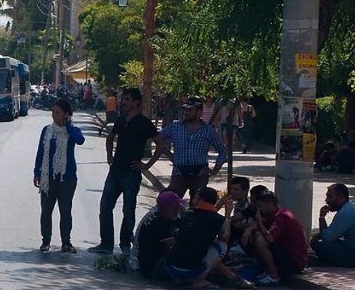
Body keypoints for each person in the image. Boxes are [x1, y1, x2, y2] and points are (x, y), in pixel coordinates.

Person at [89, 87, 166, 255]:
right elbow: (110, 137)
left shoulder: (144, 122)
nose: (123, 102)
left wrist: (147, 165)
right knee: (105, 206)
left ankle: (125, 244)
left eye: (127, 100)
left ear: (136, 102)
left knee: (128, 210)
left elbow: (160, 143)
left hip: (131, 172)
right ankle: (106, 243)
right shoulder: (120, 119)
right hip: (115, 170)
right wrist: (109, 155)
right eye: (123, 99)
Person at [163, 187, 253, 290]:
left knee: (192, 239)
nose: (193, 200)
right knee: (221, 246)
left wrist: (217, 208)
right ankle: (200, 280)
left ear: (201, 200)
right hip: (191, 272)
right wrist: (227, 215)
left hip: (170, 267)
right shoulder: (219, 220)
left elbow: (202, 220)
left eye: (195, 198)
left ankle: (230, 275)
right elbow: (225, 239)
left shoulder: (187, 214)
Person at [34, 98, 85, 253]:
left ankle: (66, 242)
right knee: (46, 210)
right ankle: (45, 241)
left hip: (67, 177)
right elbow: (41, 152)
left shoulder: (72, 131)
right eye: (53, 112)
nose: (54, 116)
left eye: (58, 113)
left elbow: (80, 140)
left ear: (66, 114)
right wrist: (37, 172)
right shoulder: (47, 130)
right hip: (48, 177)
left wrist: (68, 124)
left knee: (65, 211)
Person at [159, 97, 228, 198]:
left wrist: (215, 169)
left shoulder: (208, 130)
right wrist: (167, 153)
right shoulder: (175, 126)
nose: (186, 112)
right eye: (185, 109)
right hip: (179, 173)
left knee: (197, 207)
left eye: (190, 110)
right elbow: (158, 138)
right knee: (171, 201)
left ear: (199, 112)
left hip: (200, 174)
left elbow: (222, 151)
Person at [242, 191, 308, 286]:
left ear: (269, 204)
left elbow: (270, 238)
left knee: (261, 240)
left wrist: (259, 222)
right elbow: (258, 225)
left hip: (295, 261)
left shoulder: (282, 216)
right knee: (256, 235)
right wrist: (248, 230)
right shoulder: (273, 214)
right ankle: (267, 270)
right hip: (285, 253)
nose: (258, 209)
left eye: (260, 206)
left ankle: (274, 275)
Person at [310, 183, 355, 267]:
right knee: (327, 243)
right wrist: (318, 236)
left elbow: (327, 238)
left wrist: (322, 217)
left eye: (329, 196)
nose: (326, 200)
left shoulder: (346, 212)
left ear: (340, 197)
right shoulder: (351, 207)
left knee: (321, 246)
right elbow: (335, 233)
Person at [133, 190, 183, 279]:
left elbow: (179, 222)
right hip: (151, 266)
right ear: (166, 207)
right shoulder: (159, 222)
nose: (178, 208)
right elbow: (174, 242)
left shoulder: (160, 214)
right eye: (175, 206)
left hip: (144, 261)